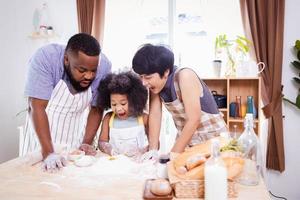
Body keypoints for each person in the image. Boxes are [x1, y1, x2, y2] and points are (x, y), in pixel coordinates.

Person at [23, 33, 111, 172]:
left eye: (93, 71)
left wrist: (86, 144)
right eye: (82, 70)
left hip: (74, 137)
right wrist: (49, 153)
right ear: (66, 60)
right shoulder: (46, 58)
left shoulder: (103, 65)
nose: (89, 76)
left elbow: (96, 108)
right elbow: (37, 107)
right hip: (40, 137)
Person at [132, 44, 227, 154]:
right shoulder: (154, 85)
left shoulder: (185, 76)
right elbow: (155, 115)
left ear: (166, 72)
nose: (144, 83)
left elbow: (194, 119)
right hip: (188, 140)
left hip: (214, 140)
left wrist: (173, 154)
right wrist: (152, 151)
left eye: (148, 77)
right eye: (141, 77)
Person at [97, 71, 149, 158]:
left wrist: (143, 151)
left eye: (123, 103)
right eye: (113, 104)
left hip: (138, 165)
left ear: (134, 100)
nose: (118, 109)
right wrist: (110, 150)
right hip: (116, 163)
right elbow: (101, 142)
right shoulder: (108, 118)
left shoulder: (143, 117)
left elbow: (155, 144)